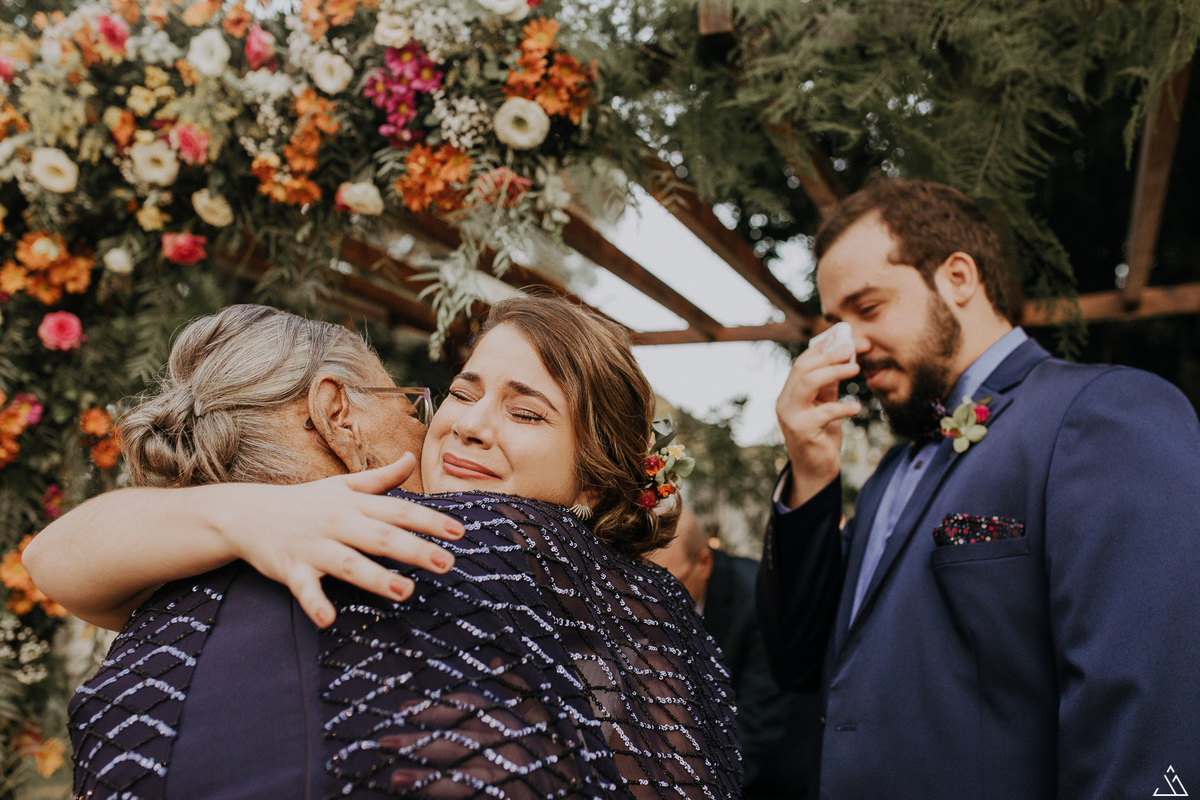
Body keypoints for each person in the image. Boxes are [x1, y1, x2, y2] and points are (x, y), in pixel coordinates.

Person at [26, 300, 741, 798]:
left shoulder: (176, 586)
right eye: (451, 395)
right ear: (333, 414)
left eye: (526, 412)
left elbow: (53, 560)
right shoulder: (356, 541)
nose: (460, 425)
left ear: (594, 479)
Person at [758, 176, 1200, 799]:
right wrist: (809, 470)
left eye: (869, 307)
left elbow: (1149, 707)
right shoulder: (889, 476)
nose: (849, 347)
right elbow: (801, 660)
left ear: (958, 277)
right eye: (834, 321)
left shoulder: (1103, 414)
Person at [649, 511, 820, 800]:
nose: (652, 600)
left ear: (704, 563)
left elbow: (757, 725)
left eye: (666, 584)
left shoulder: (758, 603)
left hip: (774, 773)